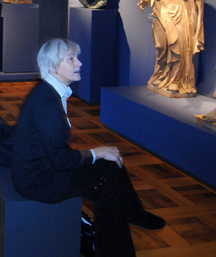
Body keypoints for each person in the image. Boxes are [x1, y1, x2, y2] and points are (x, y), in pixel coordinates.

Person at [12, 38, 165, 257]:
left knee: (111, 164)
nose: (79, 63)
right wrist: (97, 152)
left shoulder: (50, 91)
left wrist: (99, 154)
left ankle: (133, 215)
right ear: (53, 67)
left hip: (42, 171)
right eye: (71, 59)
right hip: (41, 181)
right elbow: (61, 161)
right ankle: (118, 244)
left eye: (77, 58)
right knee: (109, 186)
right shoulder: (47, 103)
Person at [138, 0, 204, 96]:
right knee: (161, 46)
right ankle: (162, 75)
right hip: (161, 13)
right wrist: (144, 0)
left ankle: (175, 80)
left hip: (180, 13)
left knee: (179, 46)